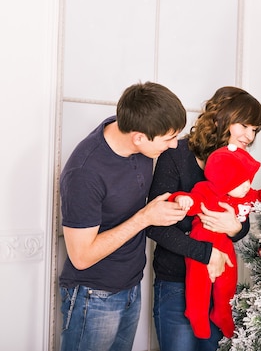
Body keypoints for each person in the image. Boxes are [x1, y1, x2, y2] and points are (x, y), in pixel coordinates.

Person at [58, 81, 189, 351]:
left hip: (130, 286)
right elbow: (81, 258)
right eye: (168, 138)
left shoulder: (131, 134)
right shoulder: (85, 173)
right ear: (139, 137)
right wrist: (145, 217)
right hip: (93, 297)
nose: (175, 145)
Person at [147, 86, 261, 351]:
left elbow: (241, 210)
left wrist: (237, 228)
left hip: (219, 285)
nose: (250, 136)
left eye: (255, 130)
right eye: (245, 126)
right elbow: (155, 226)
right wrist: (206, 253)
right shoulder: (176, 155)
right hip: (177, 284)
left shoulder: (238, 161)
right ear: (220, 119)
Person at [170, 143, 261, 339]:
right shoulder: (206, 191)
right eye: (241, 182)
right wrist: (181, 200)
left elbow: (260, 195)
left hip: (225, 246)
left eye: (248, 180)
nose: (247, 186)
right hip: (201, 244)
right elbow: (191, 201)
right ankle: (196, 313)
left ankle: (222, 312)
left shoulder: (244, 195)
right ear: (223, 181)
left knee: (228, 283)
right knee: (198, 283)